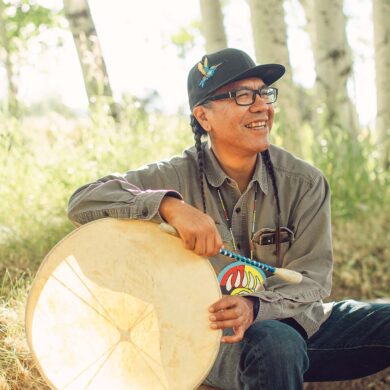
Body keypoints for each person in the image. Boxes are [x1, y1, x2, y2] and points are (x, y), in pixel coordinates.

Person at [68, 48, 390, 390]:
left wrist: (254, 305)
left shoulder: (304, 181)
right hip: (214, 338)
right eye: (242, 96)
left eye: (264, 93)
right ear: (204, 117)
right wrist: (168, 206)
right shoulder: (173, 176)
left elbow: (313, 279)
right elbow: (82, 201)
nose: (261, 106)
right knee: (276, 345)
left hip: (296, 323)